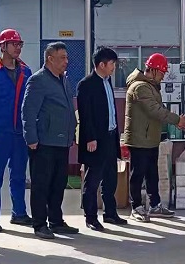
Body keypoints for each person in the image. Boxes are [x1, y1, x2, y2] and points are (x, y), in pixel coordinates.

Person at [123, 53, 185, 222]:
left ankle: (155, 205)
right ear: (152, 70)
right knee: (138, 174)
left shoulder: (150, 86)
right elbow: (154, 110)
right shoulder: (140, 87)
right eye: (161, 73)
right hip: (139, 139)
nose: (163, 76)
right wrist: (177, 120)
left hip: (150, 138)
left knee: (152, 174)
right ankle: (136, 207)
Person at [22, 42, 79, 239]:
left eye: (66, 57)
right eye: (62, 58)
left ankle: (56, 221)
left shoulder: (63, 80)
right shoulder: (38, 80)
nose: (66, 61)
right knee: (41, 185)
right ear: (50, 59)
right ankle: (39, 224)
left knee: (58, 183)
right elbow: (28, 112)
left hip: (62, 142)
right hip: (43, 143)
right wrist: (31, 138)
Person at [0, 29, 33, 232]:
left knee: (18, 175)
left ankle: (19, 213)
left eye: (20, 44)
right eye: (14, 44)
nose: (18, 48)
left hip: (20, 133)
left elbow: (30, 102)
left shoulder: (25, 72)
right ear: (2, 46)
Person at [77, 46, 127, 231]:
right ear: (101, 64)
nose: (114, 67)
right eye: (112, 64)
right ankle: (91, 217)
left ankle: (110, 213)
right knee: (93, 180)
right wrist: (90, 138)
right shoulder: (86, 84)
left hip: (110, 137)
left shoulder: (107, 81)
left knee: (110, 177)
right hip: (95, 140)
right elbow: (86, 114)